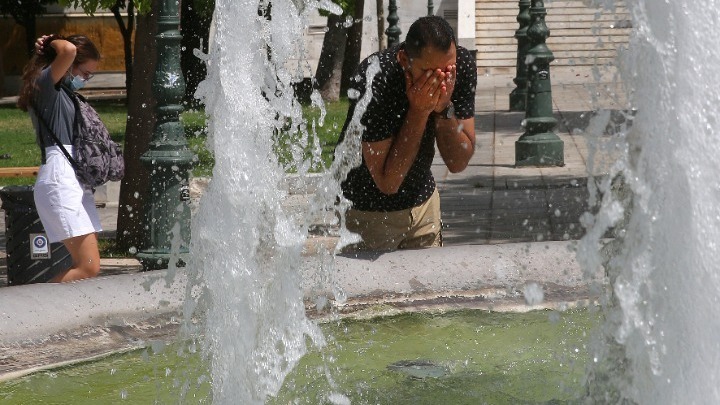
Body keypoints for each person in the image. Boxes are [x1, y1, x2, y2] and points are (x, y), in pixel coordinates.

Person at [338, 16, 477, 251]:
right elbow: (388, 182)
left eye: (446, 70)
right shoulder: (374, 80)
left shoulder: (460, 66)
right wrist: (420, 111)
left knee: (432, 287)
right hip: (370, 213)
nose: (441, 81)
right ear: (404, 60)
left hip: (424, 206)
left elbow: (458, 162)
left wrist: (444, 108)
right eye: (429, 72)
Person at [17, 34, 103, 282]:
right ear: (67, 64)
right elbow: (66, 49)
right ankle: (32, 311)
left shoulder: (63, 92)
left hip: (74, 178)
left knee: (88, 266)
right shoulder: (46, 86)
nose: (85, 80)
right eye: (84, 73)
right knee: (88, 267)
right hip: (60, 176)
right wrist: (51, 40)